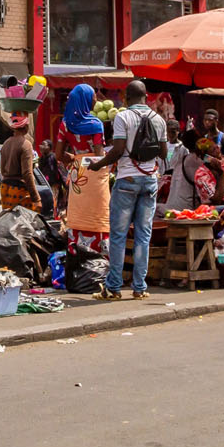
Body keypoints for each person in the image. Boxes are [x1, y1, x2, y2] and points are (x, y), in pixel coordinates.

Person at [89, 80, 164, 300]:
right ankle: (139, 288)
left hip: (127, 180)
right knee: (143, 236)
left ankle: (113, 288)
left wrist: (98, 164)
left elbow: (119, 149)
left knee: (119, 236)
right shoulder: (158, 119)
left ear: (126, 98)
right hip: (150, 180)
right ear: (146, 97)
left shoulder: (123, 117)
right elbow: (163, 151)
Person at [0, 115, 39, 211]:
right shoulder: (26, 144)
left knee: (9, 222)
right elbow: (27, 174)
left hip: (5, 188)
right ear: (25, 127)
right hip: (19, 191)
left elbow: (2, 169)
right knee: (24, 223)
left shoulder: (6, 143)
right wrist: (36, 198)